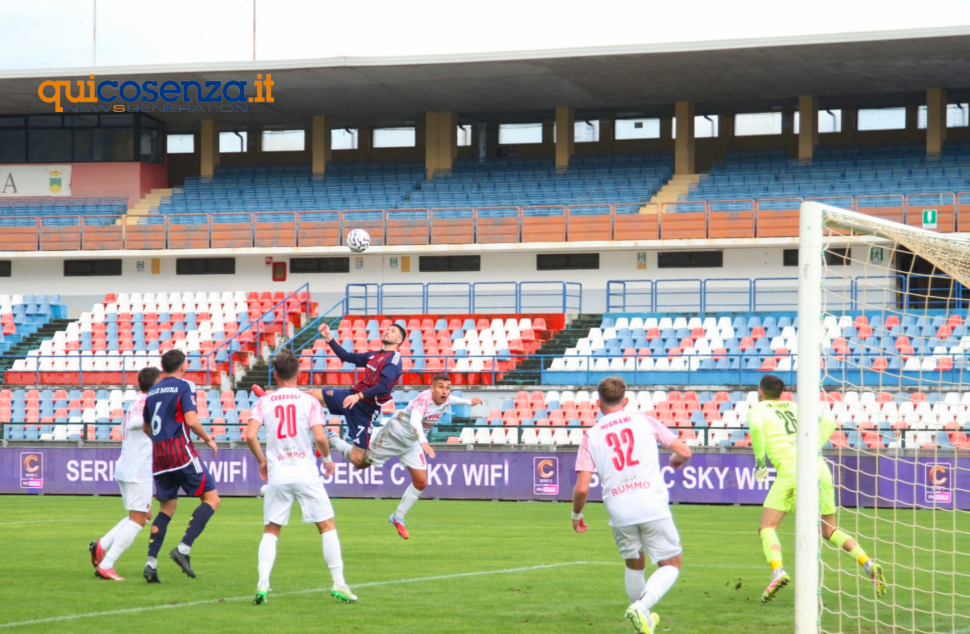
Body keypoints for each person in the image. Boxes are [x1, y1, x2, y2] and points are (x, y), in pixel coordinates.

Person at [749, 374, 887, 603]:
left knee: (767, 526)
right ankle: (869, 564)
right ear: (781, 393)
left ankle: (778, 571)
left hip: (793, 469)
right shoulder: (795, 406)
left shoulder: (758, 409)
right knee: (829, 529)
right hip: (819, 467)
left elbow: (755, 427)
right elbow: (830, 423)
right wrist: (812, 447)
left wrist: (760, 462)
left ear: (760, 391)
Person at [572, 376, 692, 634]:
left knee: (634, 565)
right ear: (625, 400)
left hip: (619, 509)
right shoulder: (644, 420)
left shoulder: (590, 436)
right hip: (650, 504)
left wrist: (576, 515)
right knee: (671, 563)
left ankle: (644, 623)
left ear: (598, 403)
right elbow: (685, 451)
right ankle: (641, 607)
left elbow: (582, 487)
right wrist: (676, 458)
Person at [246, 349, 356, 605]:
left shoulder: (265, 402)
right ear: (298, 374)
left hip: (278, 474)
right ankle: (339, 582)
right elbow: (319, 436)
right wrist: (328, 461)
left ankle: (263, 582)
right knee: (326, 527)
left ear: (275, 375)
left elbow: (250, 435)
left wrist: (262, 461)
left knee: (271, 530)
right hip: (305, 472)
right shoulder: (309, 401)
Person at [254, 322, 404, 470]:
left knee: (358, 461)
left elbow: (384, 387)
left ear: (399, 341)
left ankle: (334, 440)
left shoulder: (394, 360)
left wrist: (359, 397)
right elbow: (345, 356)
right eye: (388, 329)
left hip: (365, 409)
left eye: (393, 331)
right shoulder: (374, 355)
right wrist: (328, 337)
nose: (388, 331)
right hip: (350, 396)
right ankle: (271, 397)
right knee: (312, 395)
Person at [368, 374, 482, 539]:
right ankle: (333, 440)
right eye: (440, 387)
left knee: (421, 482)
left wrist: (469, 402)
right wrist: (424, 442)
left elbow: (452, 399)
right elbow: (415, 422)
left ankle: (397, 517)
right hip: (394, 435)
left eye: (448, 388)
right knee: (361, 461)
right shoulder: (422, 401)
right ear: (432, 388)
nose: (445, 391)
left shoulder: (445, 399)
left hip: (411, 443)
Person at [141, 349, 221, 583]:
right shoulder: (184, 386)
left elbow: (147, 428)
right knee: (212, 499)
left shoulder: (152, 391)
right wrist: (207, 439)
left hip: (160, 457)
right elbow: (191, 420)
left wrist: (161, 442)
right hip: (180, 453)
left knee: (166, 509)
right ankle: (183, 549)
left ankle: (150, 563)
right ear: (183, 366)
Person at [89, 367, 160, 580]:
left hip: (128, 465)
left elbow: (122, 430)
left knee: (144, 515)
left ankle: (102, 544)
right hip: (137, 469)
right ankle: (107, 564)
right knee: (138, 519)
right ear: (155, 385)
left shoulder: (136, 402)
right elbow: (134, 424)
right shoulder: (147, 403)